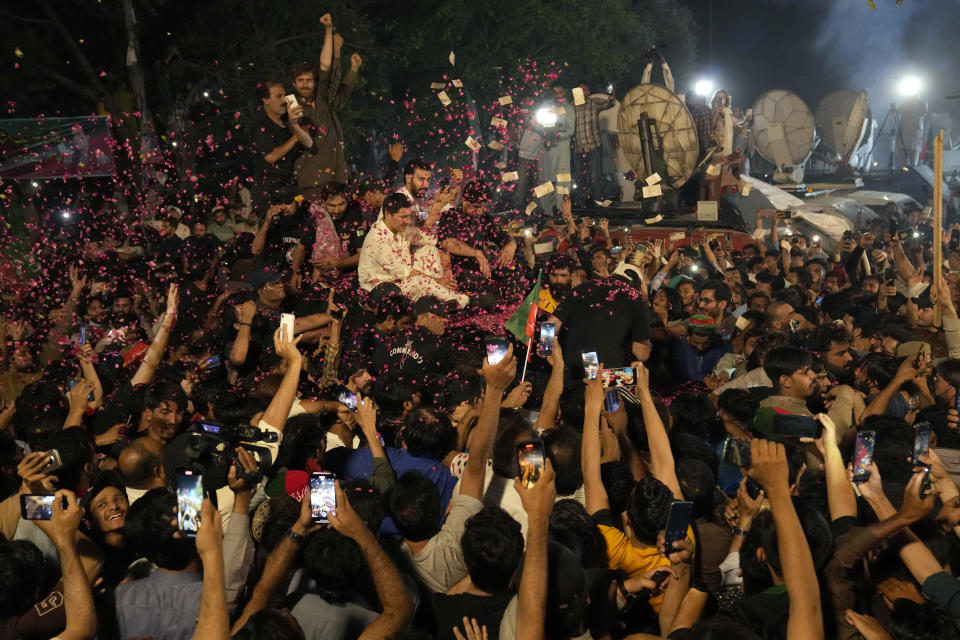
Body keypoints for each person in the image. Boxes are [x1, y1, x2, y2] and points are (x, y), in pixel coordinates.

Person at [358, 193, 493, 309]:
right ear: (387, 213)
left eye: (409, 216)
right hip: (383, 288)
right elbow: (406, 273)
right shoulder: (378, 239)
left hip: (403, 275)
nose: (408, 221)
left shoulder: (401, 228)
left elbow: (432, 240)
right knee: (422, 282)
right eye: (403, 217)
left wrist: (446, 263)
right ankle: (465, 301)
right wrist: (439, 281)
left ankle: (439, 298)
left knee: (430, 251)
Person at [290, 13, 361, 198]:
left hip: (337, 177)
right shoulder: (292, 106)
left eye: (309, 80)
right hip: (312, 183)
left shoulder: (322, 100)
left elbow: (326, 67)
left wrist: (328, 29)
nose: (305, 84)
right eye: (300, 81)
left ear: (315, 83)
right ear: (293, 84)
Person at [436, 181, 529, 302]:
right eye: (475, 207)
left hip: (485, 267)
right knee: (476, 284)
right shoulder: (450, 216)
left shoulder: (485, 218)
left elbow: (503, 237)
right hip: (460, 270)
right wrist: (477, 253)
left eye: (482, 206)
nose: (479, 212)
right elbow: (448, 243)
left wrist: (511, 245)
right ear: (465, 201)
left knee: (518, 270)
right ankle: (497, 296)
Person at [248, 78, 313, 210]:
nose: (284, 100)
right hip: (269, 192)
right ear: (265, 100)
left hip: (291, 187)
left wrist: (296, 125)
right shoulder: (259, 124)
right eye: (279, 96)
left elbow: (309, 143)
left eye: (285, 95)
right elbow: (271, 156)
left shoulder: (288, 120)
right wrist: (295, 138)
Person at [535, 82, 576, 216]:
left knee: (563, 181)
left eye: (560, 92)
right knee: (544, 179)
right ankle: (546, 210)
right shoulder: (545, 107)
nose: (558, 96)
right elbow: (538, 124)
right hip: (546, 150)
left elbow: (571, 130)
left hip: (562, 150)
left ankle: (561, 210)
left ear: (565, 93)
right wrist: (545, 131)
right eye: (555, 93)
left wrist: (558, 134)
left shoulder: (569, 108)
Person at [572, 84, 615, 206]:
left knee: (595, 175)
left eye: (584, 90)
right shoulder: (572, 106)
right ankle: (580, 204)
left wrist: (611, 97)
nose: (581, 92)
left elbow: (609, 104)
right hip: (579, 148)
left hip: (594, 146)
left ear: (588, 92)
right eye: (578, 90)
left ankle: (598, 203)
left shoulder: (593, 102)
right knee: (579, 177)